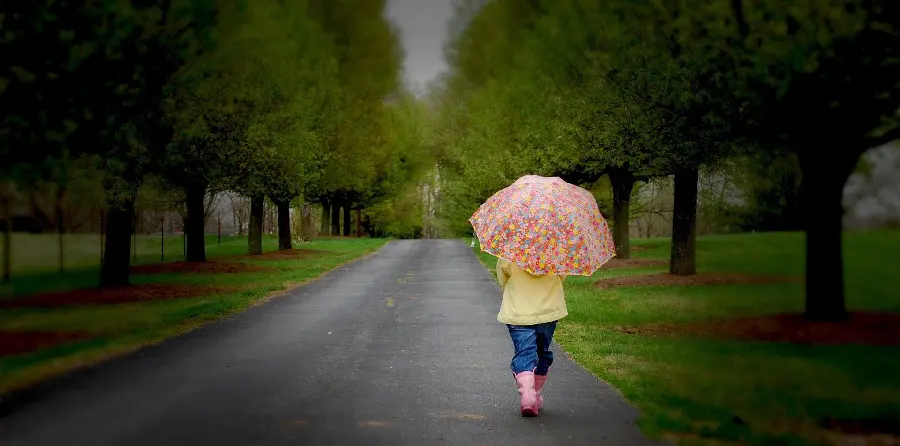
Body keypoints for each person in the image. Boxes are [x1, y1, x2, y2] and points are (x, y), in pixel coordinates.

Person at [496, 257, 567, 417]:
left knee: (524, 352)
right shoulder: (556, 250)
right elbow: (562, 276)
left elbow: (502, 277)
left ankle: (527, 395)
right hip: (547, 312)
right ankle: (535, 394)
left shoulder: (510, 250)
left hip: (518, 311)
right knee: (542, 351)